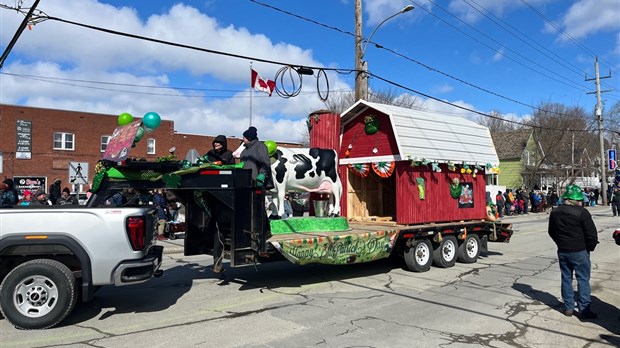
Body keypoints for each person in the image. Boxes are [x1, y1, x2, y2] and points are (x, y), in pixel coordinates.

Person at [548, 184, 598, 319]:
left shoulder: (555, 212)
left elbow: (551, 231)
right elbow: (591, 234)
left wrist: (560, 242)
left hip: (563, 249)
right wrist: (590, 247)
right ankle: (584, 308)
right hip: (580, 250)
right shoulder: (582, 212)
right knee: (583, 279)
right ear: (576, 200)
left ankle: (568, 307)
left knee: (566, 278)